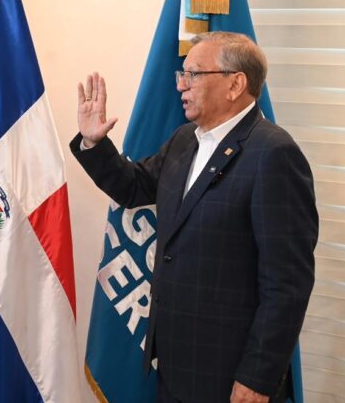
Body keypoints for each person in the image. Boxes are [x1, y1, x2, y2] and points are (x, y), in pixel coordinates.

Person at [71, 32, 318, 403]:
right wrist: (94, 143)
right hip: (175, 364)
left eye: (194, 74)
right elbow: (134, 188)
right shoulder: (186, 139)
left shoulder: (273, 153)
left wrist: (257, 377)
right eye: (181, 74)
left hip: (230, 372)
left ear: (235, 84)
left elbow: (288, 284)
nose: (181, 85)